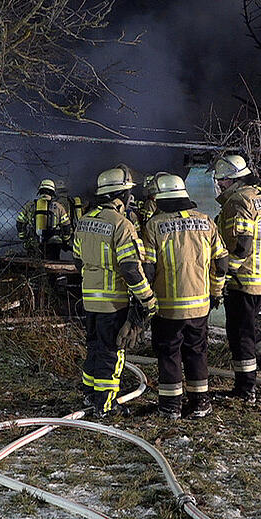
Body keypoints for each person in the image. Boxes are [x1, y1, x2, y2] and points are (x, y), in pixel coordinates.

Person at [141, 173, 228, 419]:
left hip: (167, 307)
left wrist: (144, 299)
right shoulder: (206, 222)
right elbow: (221, 261)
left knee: (169, 353)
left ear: (160, 198)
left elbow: (147, 267)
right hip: (200, 306)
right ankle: (200, 403)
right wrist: (216, 291)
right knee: (196, 351)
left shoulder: (154, 226)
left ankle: (170, 407)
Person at [73, 166, 157, 418]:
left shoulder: (85, 220)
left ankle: (90, 394)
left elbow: (78, 261)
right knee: (113, 352)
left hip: (90, 300)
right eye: (129, 192)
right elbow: (131, 270)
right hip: (113, 303)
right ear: (121, 194)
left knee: (95, 348)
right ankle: (106, 404)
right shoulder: (122, 225)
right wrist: (147, 298)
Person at [212, 154, 261, 404]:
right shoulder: (259, 196)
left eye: (221, 180)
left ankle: (245, 389)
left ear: (231, 179)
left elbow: (242, 245)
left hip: (242, 280)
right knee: (250, 328)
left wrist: (224, 273)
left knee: (239, 334)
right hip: (259, 277)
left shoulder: (238, 201)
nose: (219, 185)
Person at [16, 179, 70, 260]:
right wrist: (65, 241)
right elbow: (66, 226)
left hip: (34, 242)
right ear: (52, 192)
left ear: (40, 191)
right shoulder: (58, 207)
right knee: (52, 266)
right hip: (53, 244)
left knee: (33, 265)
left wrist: (23, 237)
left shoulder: (30, 206)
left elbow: (20, 222)